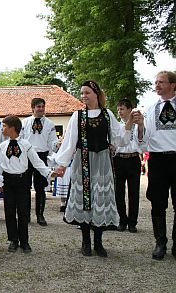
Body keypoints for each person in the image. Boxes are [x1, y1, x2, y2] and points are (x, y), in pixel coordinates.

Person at [55, 80, 137, 257]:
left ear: (96, 93)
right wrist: (61, 165)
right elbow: (69, 142)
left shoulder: (107, 114)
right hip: (82, 161)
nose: (84, 96)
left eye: (87, 93)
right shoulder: (77, 116)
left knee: (100, 198)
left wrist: (129, 122)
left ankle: (98, 242)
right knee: (85, 200)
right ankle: (86, 241)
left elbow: (119, 138)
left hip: (102, 162)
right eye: (82, 93)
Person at [0, 115, 56, 253]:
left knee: (23, 211)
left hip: (22, 181)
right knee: (9, 211)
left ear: (12, 128)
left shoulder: (26, 145)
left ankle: (24, 241)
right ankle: (13, 239)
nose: (2, 129)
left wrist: (48, 173)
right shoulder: (2, 146)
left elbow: (37, 162)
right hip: (8, 181)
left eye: (4, 126)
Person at [138, 70, 176, 260]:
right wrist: (140, 126)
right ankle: (160, 241)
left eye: (162, 82)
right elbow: (144, 139)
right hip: (158, 159)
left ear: (173, 85)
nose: (157, 85)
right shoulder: (151, 108)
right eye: (156, 82)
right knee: (158, 203)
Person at [21, 98, 59, 226]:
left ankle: (40, 215)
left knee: (40, 187)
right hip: (27, 156)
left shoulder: (50, 124)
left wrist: (57, 145)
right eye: (38, 106)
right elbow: (20, 140)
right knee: (25, 187)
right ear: (32, 108)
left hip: (41, 156)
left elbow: (52, 142)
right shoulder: (25, 122)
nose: (41, 109)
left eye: (43, 106)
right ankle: (25, 216)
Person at [114, 98, 143, 233]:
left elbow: (142, 139)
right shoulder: (117, 126)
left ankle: (132, 222)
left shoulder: (138, 125)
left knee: (134, 192)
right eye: (118, 109)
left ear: (130, 110)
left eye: (122, 109)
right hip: (119, 160)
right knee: (119, 192)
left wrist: (139, 124)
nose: (120, 112)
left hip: (133, 159)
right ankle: (122, 219)